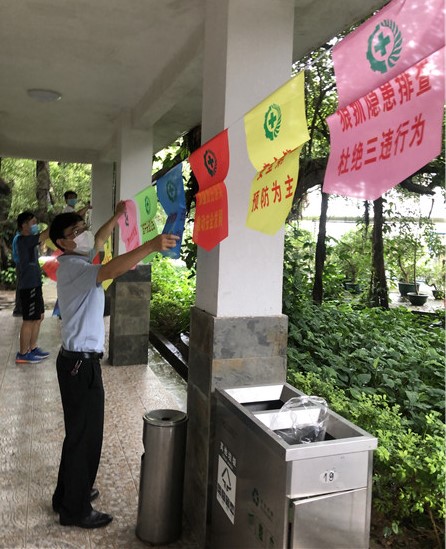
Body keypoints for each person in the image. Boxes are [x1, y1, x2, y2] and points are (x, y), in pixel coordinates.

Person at [49, 201, 179, 529]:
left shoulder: (76, 259)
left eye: (83, 227)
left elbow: (98, 240)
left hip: (75, 363)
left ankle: (66, 495)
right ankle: (74, 510)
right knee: (86, 438)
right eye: (76, 231)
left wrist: (118, 216)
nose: (84, 233)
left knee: (77, 434)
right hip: (80, 366)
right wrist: (151, 246)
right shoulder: (77, 269)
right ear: (62, 242)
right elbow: (112, 270)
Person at [15, 212, 50, 364]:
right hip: (28, 286)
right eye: (33, 222)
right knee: (29, 320)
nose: (36, 225)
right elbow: (45, 234)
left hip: (35, 284)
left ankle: (33, 348)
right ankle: (23, 354)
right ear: (24, 225)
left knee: (39, 316)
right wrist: (62, 221)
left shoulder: (29, 240)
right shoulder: (23, 240)